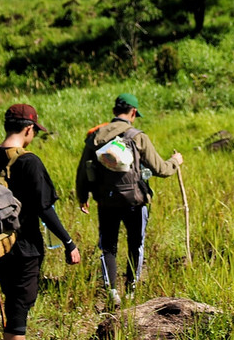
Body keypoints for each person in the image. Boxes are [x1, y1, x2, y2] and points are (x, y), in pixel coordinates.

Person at [0, 103, 80, 340]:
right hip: (24, 246)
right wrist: (69, 243)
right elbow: (45, 208)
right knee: (21, 304)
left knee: (14, 301)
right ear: (29, 128)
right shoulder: (29, 161)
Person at [75, 93, 183, 307]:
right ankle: (131, 290)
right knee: (136, 244)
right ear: (133, 113)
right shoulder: (138, 136)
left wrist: (83, 195)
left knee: (108, 246)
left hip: (106, 200)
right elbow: (160, 169)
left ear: (115, 111)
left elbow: (83, 170)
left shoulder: (96, 135)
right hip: (135, 201)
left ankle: (111, 292)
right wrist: (175, 161)